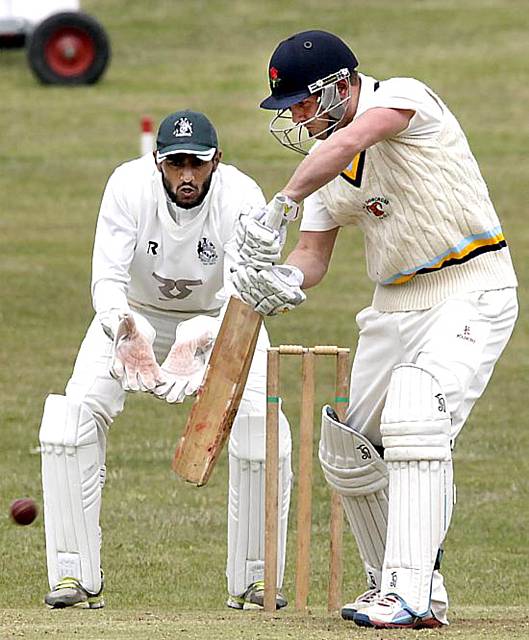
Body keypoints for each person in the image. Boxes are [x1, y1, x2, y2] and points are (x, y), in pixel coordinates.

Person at [232, 30, 518, 628]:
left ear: (338, 86)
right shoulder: (324, 167)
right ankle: (400, 582)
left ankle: (407, 591)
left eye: (304, 104)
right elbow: (312, 258)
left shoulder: (405, 98)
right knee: (347, 450)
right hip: (393, 307)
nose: (299, 120)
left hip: (471, 287)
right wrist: (282, 280)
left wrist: (281, 200)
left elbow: (360, 136)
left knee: (416, 415)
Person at [38, 110, 292, 611]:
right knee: (69, 422)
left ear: (216, 160)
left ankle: (258, 581)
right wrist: (122, 327)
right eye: (175, 164)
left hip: (224, 317)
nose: (186, 177)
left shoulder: (242, 195)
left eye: (196, 164)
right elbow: (107, 279)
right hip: (135, 316)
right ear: (159, 162)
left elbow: (247, 287)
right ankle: (73, 577)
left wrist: (205, 335)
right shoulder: (127, 185)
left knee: (266, 429)